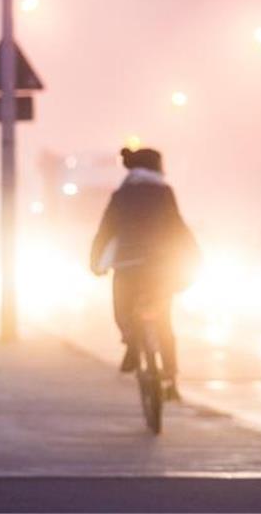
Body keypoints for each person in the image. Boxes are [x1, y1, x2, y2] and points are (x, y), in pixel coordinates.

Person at [89, 146, 200, 401]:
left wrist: (95, 262)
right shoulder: (164, 193)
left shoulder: (121, 194)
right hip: (160, 267)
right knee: (164, 323)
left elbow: (106, 229)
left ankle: (131, 340)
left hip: (127, 265)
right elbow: (177, 226)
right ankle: (170, 380)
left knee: (122, 311)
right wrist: (193, 254)